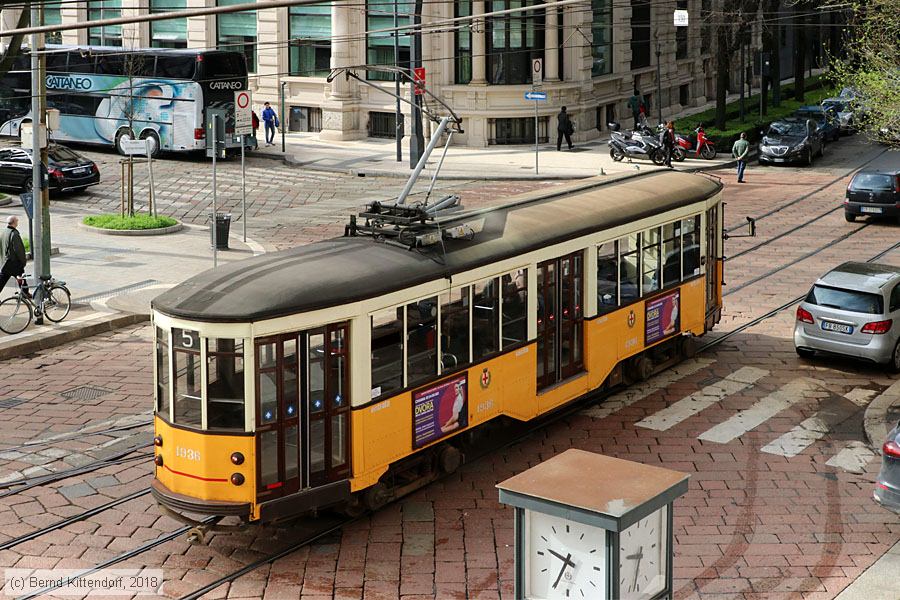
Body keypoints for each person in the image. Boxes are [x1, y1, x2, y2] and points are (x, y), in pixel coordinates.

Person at [0, 215, 27, 295]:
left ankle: (25, 293)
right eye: (17, 221)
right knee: (20, 276)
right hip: (13, 262)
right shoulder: (14, 234)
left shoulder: (4, 232)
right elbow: (19, 250)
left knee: (3, 279)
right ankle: (25, 293)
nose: (18, 222)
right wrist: (23, 262)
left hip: (5, 262)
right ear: (14, 222)